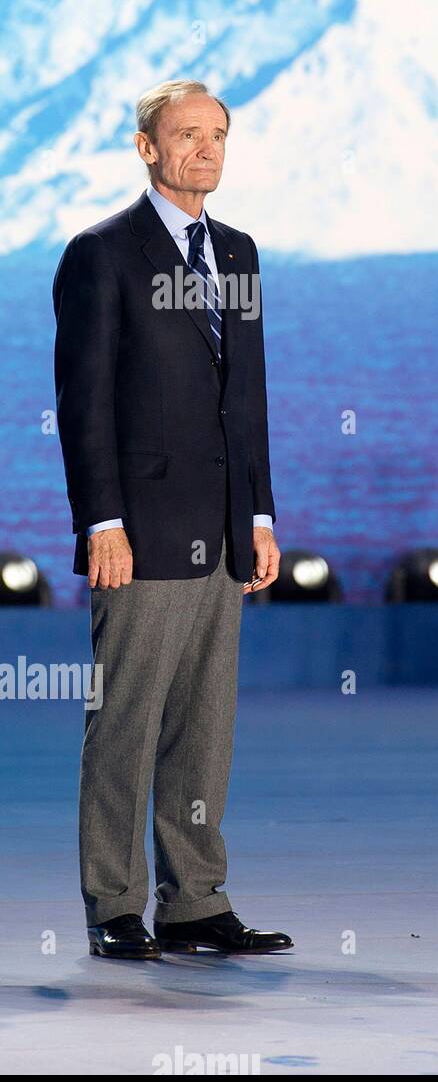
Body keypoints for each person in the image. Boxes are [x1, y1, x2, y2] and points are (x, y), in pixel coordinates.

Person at [52, 78, 294, 956]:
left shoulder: (239, 252)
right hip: (141, 532)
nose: (206, 149)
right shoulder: (101, 254)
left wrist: (259, 513)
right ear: (147, 148)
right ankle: (113, 907)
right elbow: (84, 406)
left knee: (204, 725)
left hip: (224, 530)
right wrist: (101, 522)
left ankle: (194, 904)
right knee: (125, 722)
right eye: (186, 134)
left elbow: (249, 397)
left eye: (218, 134)